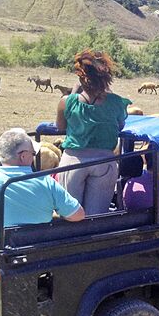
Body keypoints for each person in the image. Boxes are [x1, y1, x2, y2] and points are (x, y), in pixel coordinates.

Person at [0, 129, 85, 245]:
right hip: (37, 252)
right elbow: (78, 215)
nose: (33, 157)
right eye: (33, 154)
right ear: (23, 156)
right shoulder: (46, 182)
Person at [56, 49, 131, 215]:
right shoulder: (115, 102)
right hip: (104, 161)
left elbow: (60, 127)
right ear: (106, 78)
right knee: (96, 216)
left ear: (81, 76)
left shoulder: (67, 102)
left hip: (73, 161)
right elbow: (119, 126)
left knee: (70, 215)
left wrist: (74, 92)